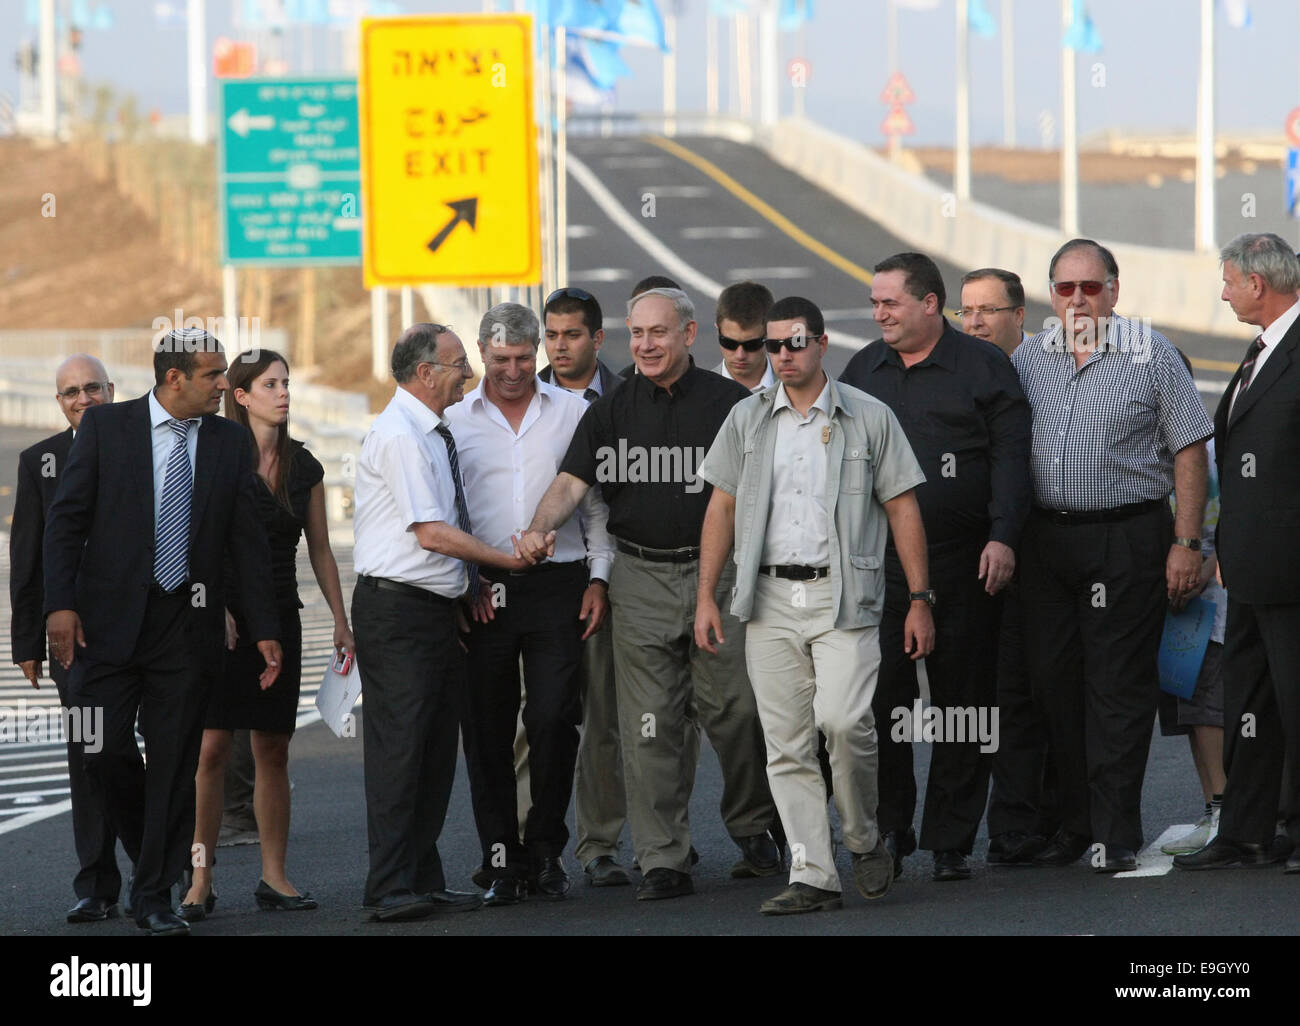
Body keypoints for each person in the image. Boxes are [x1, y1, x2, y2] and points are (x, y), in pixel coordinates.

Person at [517, 287, 781, 900]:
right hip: (639, 580)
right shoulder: (608, 411)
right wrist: (538, 528)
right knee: (649, 726)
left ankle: (751, 824)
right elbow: (571, 482)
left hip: (720, 575)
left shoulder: (729, 405)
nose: (645, 345)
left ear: (689, 336)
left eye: (658, 333)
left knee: (736, 711)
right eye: (636, 334)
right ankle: (663, 858)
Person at [695, 296, 932, 914]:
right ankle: (812, 872)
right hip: (767, 599)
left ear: (822, 344)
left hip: (843, 597)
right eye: (772, 346)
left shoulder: (869, 416)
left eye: (793, 343)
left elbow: (903, 508)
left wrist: (920, 600)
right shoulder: (746, 419)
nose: (781, 356)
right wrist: (707, 598)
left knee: (845, 723)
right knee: (786, 741)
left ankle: (861, 836)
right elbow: (720, 506)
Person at [43, 327, 283, 936]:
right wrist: (59, 607)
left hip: (187, 626)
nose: (224, 385)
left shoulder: (228, 442)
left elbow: (247, 541)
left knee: (176, 763)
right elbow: (66, 522)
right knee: (101, 747)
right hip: (108, 627)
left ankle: (153, 893)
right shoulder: (107, 428)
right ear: (174, 378)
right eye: (213, 375)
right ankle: (150, 848)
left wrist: (263, 627)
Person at [1013, 239, 1211, 873]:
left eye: (1090, 288)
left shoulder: (1151, 354)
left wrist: (1186, 542)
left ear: (1115, 291)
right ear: (1052, 295)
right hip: (1047, 543)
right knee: (1054, 686)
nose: (1078, 300)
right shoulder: (1029, 359)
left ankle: (1116, 831)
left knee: (1118, 689)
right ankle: (1076, 823)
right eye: (1065, 289)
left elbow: (1189, 450)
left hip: (1126, 539)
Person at [840, 253, 1032, 882]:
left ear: (929, 304)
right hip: (884, 569)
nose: (879, 314)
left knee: (963, 701)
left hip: (969, 561)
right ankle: (892, 828)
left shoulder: (985, 368)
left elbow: (1010, 459)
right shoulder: (862, 370)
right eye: (875, 304)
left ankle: (951, 840)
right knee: (883, 699)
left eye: (890, 302)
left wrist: (1003, 537)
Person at [351, 322, 531, 922]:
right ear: (425, 373)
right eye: (459, 365)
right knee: (401, 750)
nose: (469, 375)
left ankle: (419, 878)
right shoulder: (402, 435)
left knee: (430, 752)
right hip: (398, 610)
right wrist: (502, 561)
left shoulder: (432, 432)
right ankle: (389, 886)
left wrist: (468, 586)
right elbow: (429, 532)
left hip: (430, 610)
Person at [448, 303, 614, 905]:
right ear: (481, 354)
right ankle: (500, 859)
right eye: (499, 360)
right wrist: (464, 583)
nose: (513, 371)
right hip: (483, 587)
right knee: (486, 728)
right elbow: (444, 509)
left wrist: (598, 577)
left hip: (558, 584)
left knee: (551, 718)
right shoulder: (453, 418)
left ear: (538, 353)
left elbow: (593, 504)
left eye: (523, 359)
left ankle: (545, 850)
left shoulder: (574, 413)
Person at [179, 349, 354, 919]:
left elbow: (322, 551)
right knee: (210, 747)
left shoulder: (304, 466)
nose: (283, 393)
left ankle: (274, 877)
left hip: (280, 613)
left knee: (273, 747)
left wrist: (342, 623)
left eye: (287, 382)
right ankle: (199, 878)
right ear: (242, 395)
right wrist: (213, 606)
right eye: (270, 384)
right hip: (219, 614)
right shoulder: (211, 455)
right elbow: (190, 539)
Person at [1175, 233, 1300, 873]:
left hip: (1290, 568)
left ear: (1258, 283)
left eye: (1228, 280)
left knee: (1293, 697)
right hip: (1248, 567)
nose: (1222, 292)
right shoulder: (1261, 350)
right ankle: (1246, 830)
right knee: (1248, 701)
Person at [10, 354, 124, 923]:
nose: (82, 399)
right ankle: (97, 884)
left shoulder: (145, 447)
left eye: (92, 388)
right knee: (89, 753)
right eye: (70, 392)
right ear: (59, 402)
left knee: (169, 749)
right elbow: (26, 554)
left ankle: (173, 874)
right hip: (72, 640)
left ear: (113, 390)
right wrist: (26, 640)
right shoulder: (40, 462)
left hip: (151, 631)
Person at [541, 287, 639, 887]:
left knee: (607, 716)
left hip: (611, 577)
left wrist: (602, 578)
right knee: (541, 719)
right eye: (550, 335)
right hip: (539, 583)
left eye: (571, 335)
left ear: (598, 339)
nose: (558, 347)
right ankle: (534, 848)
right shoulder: (519, 399)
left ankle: (599, 846)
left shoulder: (628, 400)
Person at [1158, 352, 1227, 856]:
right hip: (1175, 604)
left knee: (1208, 709)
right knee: (1187, 708)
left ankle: (1225, 813)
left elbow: (1222, 528)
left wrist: (1202, 569)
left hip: (1210, 602)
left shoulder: (1206, 455)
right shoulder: (1149, 449)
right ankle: (1212, 811)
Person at [712, 280, 776, 392]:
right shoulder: (699, 392)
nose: (740, 355)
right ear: (718, 330)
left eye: (751, 345)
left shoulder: (796, 388)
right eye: (729, 343)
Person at [959, 268, 1028, 358]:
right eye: (967, 312)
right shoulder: (952, 364)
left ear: (1018, 316)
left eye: (987, 310)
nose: (974, 323)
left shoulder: (1046, 368)